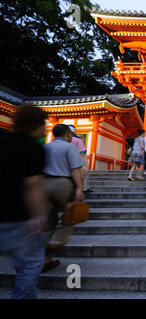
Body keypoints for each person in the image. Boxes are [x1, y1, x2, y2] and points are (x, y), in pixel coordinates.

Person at [0, 104, 48, 298]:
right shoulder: (33, 148)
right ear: (35, 125)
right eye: (43, 124)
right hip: (18, 217)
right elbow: (33, 185)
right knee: (30, 264)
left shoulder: (2, 142)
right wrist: (37, 214)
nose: (45, 128)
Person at [42, 124, 84, 272]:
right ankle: (58, 241)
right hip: (62, 183)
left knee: (48, 221)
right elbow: (75, 168)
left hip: (45, 183)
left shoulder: (45, 147)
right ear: (67, 134)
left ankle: (44, 260)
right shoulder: (69, 147)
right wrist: (79, 187)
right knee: (71, 214)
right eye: (71, 134)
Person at [68, 125, 90, 192]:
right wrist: (87, 166)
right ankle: (83, 188)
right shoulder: (77, 140)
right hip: (76, 161)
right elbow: (82, 153)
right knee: (83, 173)